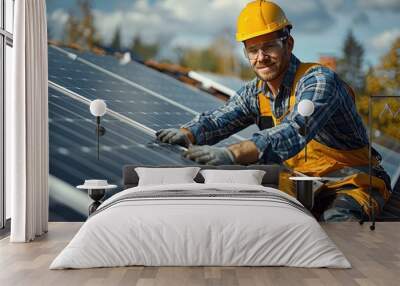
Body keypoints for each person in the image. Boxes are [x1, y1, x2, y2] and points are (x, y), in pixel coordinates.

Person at [156, 0, 391, 221]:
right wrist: (188, 133)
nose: (261, 58)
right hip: (303, 183)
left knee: (338, 224)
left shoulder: (319, 81)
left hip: (353, 182)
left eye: (269, 46)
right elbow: (220, 119)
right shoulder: (254, 93)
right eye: (253, 50)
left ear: (288, 44)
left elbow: (296, 128)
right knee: (264, 215)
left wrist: (233, 153)